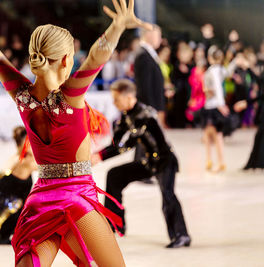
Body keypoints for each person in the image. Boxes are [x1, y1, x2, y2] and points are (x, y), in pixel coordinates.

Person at [0, 0, 152, 265]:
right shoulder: (71, 96)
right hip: (78, 197)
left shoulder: (20, 93)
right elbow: (96, 57)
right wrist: (116, 28)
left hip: (41, 200)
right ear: (67, 60)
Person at [91, 79, 191, 248]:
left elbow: (127, 145)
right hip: (148, 161)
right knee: (115, 175)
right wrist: (99, 153)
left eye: (117, 99)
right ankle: (115, 223)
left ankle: (181, 235)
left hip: (165, 161)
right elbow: (117, 142)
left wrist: (100, 156)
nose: (114, 103)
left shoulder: (145, 115)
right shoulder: (126, 115)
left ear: (129, 96)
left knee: (168, 195)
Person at [0, 126, 36, 245]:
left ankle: (2, 232)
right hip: (7, 212)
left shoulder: (16, 158)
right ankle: (7, 232)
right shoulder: (25, 162)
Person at [202, 46, 244, 172]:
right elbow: (228, 72)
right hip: (213, 105)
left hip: (213, 106)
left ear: (209, 58)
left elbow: (217, 89)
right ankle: (211, 159)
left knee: (214, 135)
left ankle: (218, 161)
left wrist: (220, 105)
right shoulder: (219, 70)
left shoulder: (212, 71)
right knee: (212, 134)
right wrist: (235, 62)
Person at [134, 25, 165, 127]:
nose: (160, 40)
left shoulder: (148, 53)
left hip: (153, 105)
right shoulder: (143, 54)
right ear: (149, 35)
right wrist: (150, 108)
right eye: (158, 36)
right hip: (149, 106)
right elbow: (144, 85)